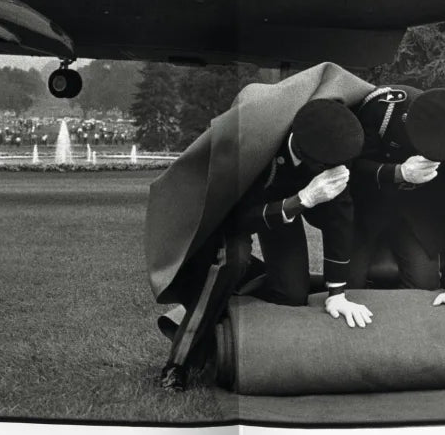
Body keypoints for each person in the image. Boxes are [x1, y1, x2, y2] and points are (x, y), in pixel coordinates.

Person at [156, 95, 372, 391]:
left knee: (292, 293)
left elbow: (340, 222)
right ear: (308, 153)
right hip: (230, 212)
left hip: (283, 209)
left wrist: (337, 293)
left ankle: (215, 302)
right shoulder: (256, 144)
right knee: (232, 261)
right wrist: (301, 201)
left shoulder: (330, 152)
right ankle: (176, 364)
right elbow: (234, 217)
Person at [350, 86, 445, 319]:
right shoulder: (385, 109)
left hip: (419, 211)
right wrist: (396, 172)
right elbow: (352, 167)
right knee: (349, 285)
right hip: (368, 206)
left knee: (426, 286)